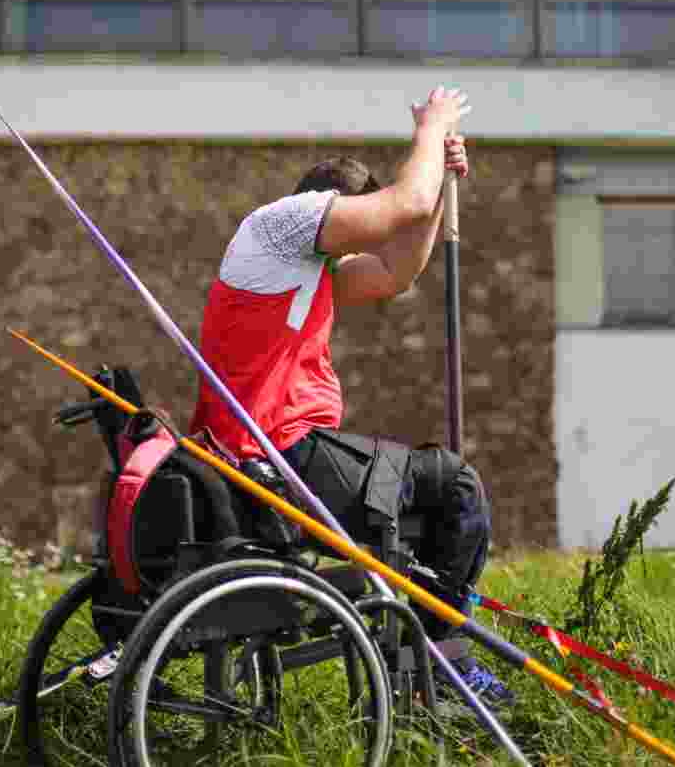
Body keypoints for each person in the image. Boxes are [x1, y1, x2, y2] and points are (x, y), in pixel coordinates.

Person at [190, 85, 514, 710]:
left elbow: (398, 272)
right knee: (455, 485)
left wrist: (444, 184)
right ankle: (445, 666)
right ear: (334, 207)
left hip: (278, 454)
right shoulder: (281, 225)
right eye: (361, 225)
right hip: (277, 455)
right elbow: (404, 204)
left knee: (424, 501)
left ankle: (416, 659)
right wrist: (433, 127)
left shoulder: (301, 269)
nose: (362, 243)